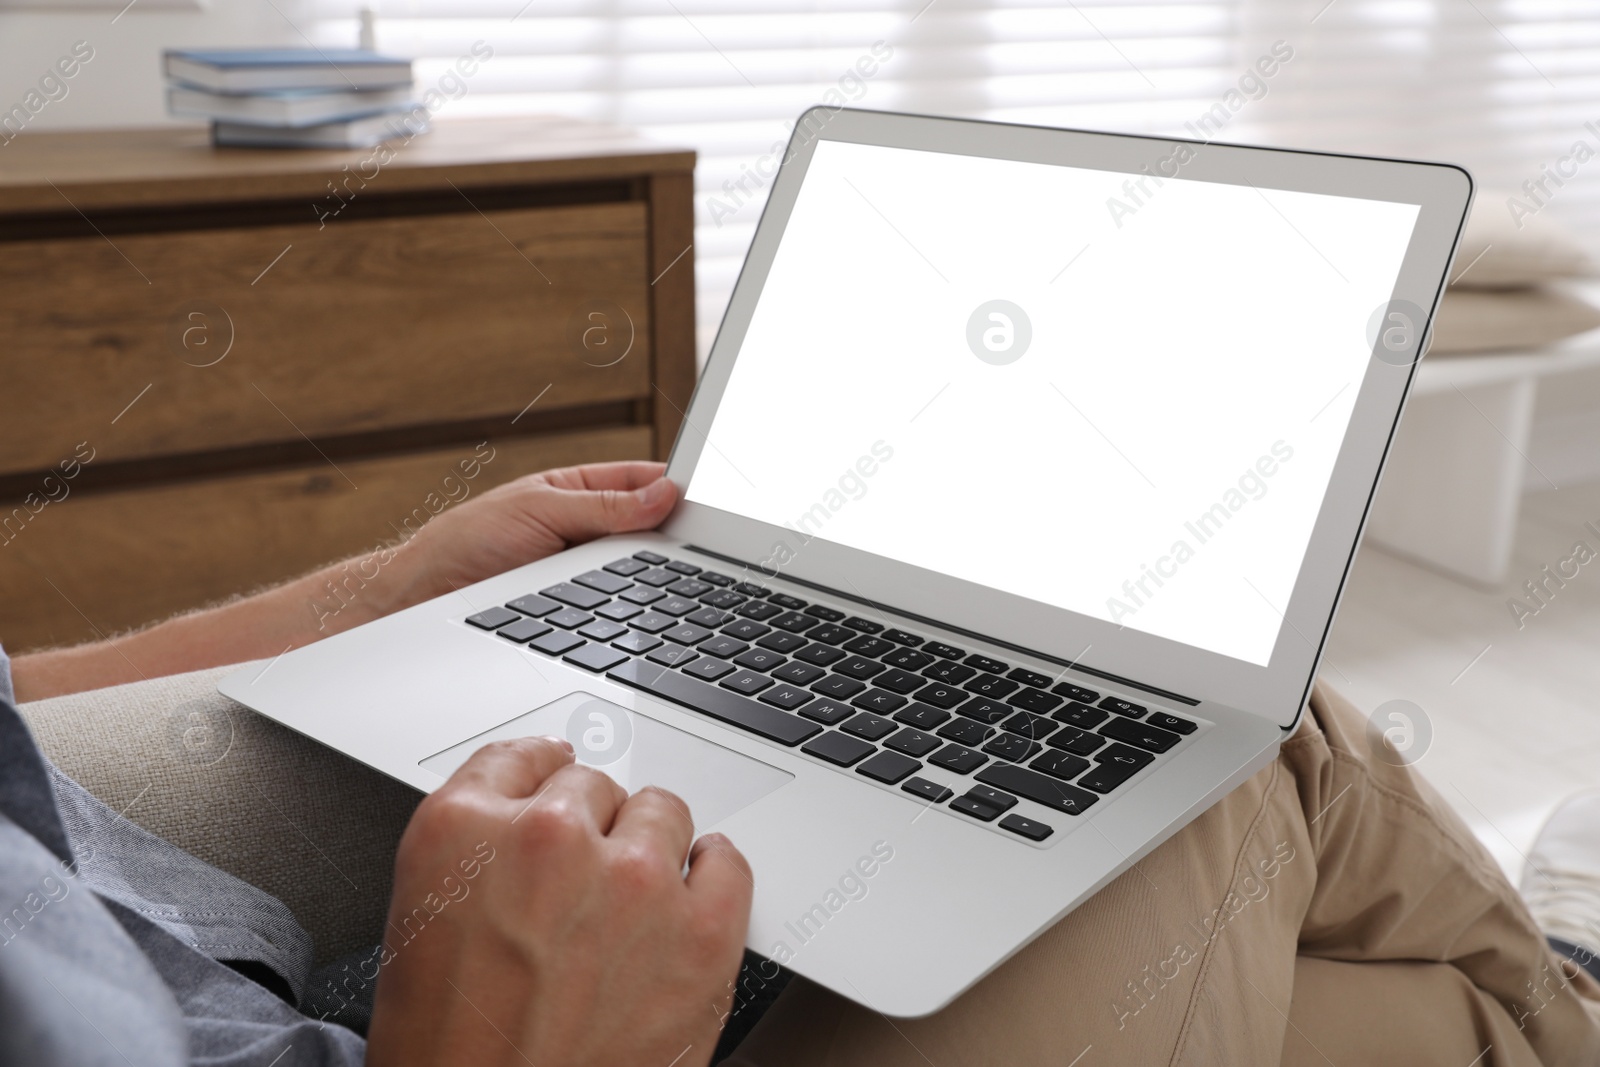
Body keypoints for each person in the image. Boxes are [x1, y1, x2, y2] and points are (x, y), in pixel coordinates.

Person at [3, 459, 1599, 1066]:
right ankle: (1563, 1004)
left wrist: (375, 592)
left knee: (1160, 803)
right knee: (1201, 771)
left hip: (131, 906)